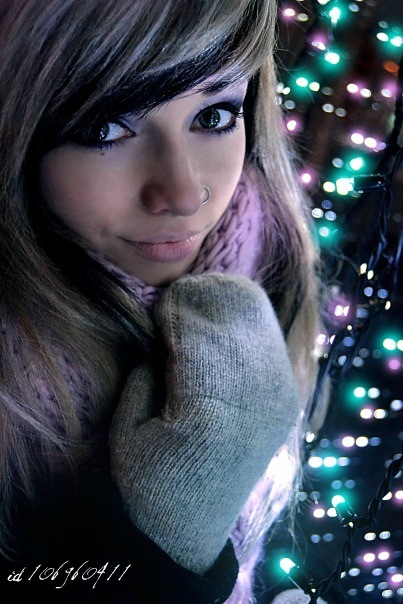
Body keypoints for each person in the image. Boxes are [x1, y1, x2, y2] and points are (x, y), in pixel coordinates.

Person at [0, 0, 326, 602]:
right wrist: (162, 541)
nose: (182, 193)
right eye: (106, 129)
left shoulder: (276, 270)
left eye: (214, 116)